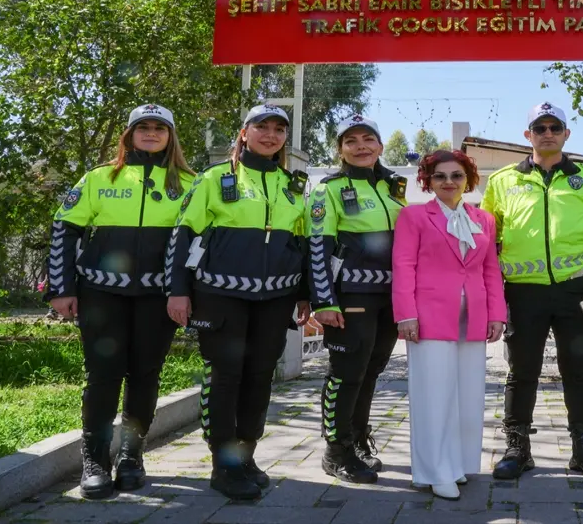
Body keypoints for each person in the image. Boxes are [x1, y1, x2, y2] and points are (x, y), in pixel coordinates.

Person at [165, 104, 312, 500]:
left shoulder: (293, 185)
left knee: (261, 376)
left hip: (275, 297)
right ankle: (223, 465)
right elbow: (183, 233)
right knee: (225, 376)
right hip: (220, 295)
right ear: (244, 133)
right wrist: (178, 290)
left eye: (279, 129)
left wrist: (304, 294)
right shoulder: (214, 178)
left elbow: (302, 243)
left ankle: (246, 455)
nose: (270, 135)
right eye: (261, 127)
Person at [47, 104, 194, 499]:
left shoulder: (189, 183)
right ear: (128, 135)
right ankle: (95, 461)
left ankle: (131, 457)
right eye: (142, 127)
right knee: (103, 376)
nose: (150, 133)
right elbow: (65, 229)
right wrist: (62, 288)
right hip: (100, 294)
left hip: (156, 296)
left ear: (170, 136)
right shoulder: (99, 178)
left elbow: (200, 243)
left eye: (159, 128)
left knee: (145, 375)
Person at [481, 101, 583, 481]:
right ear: (527, 135)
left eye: (554, 127)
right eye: (539, 128)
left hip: (576, 292)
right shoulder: (501, 181)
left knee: (577, 371)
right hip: (522, 293)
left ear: (566, 134)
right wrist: (488, 294)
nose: (547, 133)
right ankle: (517, 449)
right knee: (521, 371)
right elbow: (487, 242)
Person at [391, 150, 506, 501]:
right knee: (433, 396)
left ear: (468, 179)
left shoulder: (484, 219)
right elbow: (403, 265)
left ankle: (456, 464)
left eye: (456, 175)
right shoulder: (413, 216)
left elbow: (490, 269)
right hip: (428, 316)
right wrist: (405, 314)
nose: (449, 182)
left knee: (467, 396)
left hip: (472, 316)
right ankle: (432, 471)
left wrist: (497, 313)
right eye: (440, 176)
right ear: (427, 181)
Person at [309, 113, 407, 483]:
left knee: (370, 372)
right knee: (346, 374)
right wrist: (324, 300)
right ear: (340, 150)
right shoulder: (328, 189)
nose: (361, 146)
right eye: (351, 141)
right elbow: (317, 248)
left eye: (368, 139)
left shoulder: (393, 186)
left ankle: (358, 440)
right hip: (350, 295)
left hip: (390, 297)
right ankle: (336, 452)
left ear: (380, 146)